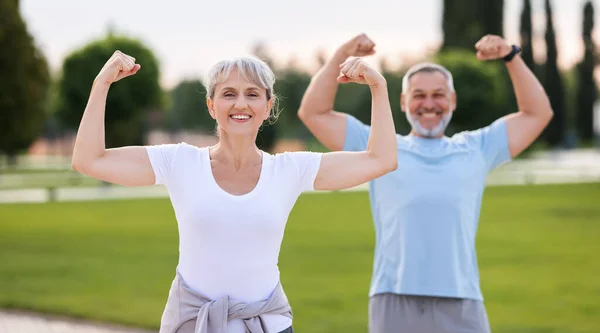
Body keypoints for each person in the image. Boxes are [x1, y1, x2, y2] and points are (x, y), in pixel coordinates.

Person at [71, 50, 398, 333]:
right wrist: (102, 84)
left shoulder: (289, 170)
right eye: (229, 94)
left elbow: (381, 159)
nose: (240, 103)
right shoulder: (180, 162)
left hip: (268, 325)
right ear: (211, 105)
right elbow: (89, 159)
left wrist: (378, 87)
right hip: (194, 324)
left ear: (268, 106)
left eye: (252, 94)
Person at [298, 33, 553, 333]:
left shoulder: (477, 147)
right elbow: (313, 112)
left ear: (453, 101)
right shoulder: (378, 147)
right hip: (393, 298)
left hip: (462, 299)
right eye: (419, 95)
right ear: (404, 102)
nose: (429, 104)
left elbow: (538, 113)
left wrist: (511, 57)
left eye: (438, 94)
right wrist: (341, 53)